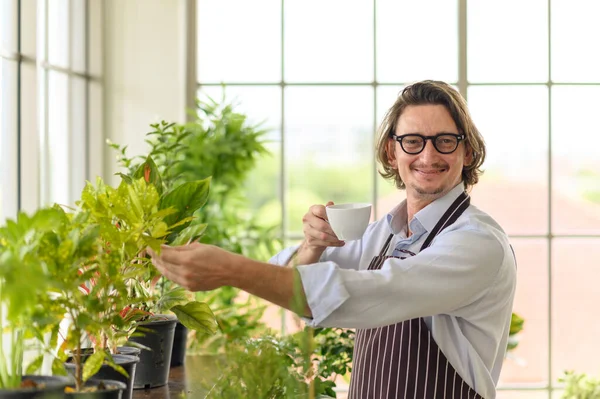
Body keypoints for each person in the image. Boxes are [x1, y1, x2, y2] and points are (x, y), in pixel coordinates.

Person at [149, 80, 516, 399]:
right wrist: (312, 246)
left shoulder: (477, 244)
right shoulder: (381, 235)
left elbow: (361, 292)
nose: (428, 155)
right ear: (392, 151)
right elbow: (293, 281)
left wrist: (231, 269)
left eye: (445, 141)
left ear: (467, 151)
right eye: (413, 141)